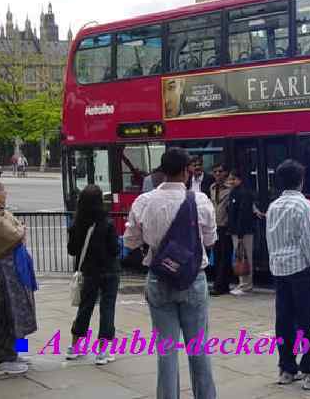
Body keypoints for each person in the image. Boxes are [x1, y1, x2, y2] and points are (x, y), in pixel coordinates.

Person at [124, 148, 217, 399]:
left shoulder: (143, 201)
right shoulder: (200, 201)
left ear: (162, 171)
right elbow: (210, 239)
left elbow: (130, 241)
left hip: (159, 279)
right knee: (198, 350)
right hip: (193, 279)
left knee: (166, 353)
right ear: (187, 171)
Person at [266, 159, 310, 390]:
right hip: (301, 271)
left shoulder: (273, 207)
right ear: (301, 181)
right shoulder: (304, 206)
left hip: (279, 271)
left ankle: (286, 369)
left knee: (283, 320)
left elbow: (270, 241)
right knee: (308, 323)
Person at [0, 181, 37, 376]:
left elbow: (17, 230)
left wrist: (20, 229)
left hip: (11, 275)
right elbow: (16, 234)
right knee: (5, 314)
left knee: (16, 314)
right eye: (2, 190)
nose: (5, 192)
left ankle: (12, 354)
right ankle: (3, 359)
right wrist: (21, 229)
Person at [66, 185, 120, 365]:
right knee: (107, 308)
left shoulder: (77, 224)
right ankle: (103, 352)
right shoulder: (107, 223)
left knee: (85, 307)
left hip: (88, 271)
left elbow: (72, 250)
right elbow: (114, 249)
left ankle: (74, 346)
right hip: (109, 271)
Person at [227, 169, 256, 295]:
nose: (231, 181)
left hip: (244, 232)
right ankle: (242, 283)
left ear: (240, 180)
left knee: (246, 257)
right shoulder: (234, 192)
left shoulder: (244, 193)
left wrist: (240, 233)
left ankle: (247, 285)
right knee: (239, 257)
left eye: (233, 179)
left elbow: (243, 215)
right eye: (230, 179)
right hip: (236, 231)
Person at [209, 164, 233, 295]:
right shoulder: (212, 188)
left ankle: (221, 285)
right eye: (215, 171)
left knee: (225, 256)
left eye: (220, 171)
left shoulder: (230, 189)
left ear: (225, 174)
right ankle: (220, 284)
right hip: (215, 226)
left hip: (226, 226)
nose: (218, 174)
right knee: (217, 256)